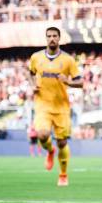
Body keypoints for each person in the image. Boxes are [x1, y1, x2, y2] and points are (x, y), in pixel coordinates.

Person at [28, 27, 83, 186]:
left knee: (62, 143)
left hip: (61, 108)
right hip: (42, 104)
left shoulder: (68, 60)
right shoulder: (36, 57)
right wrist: (33, 85)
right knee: (43, 135)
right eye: (49, 36)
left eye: (55, 36)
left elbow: (80, 82)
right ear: (46, 38)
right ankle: (50, 151)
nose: (52, 39)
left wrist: (69, 82)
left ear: (59, 38)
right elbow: (31, 73)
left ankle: (63, 174)